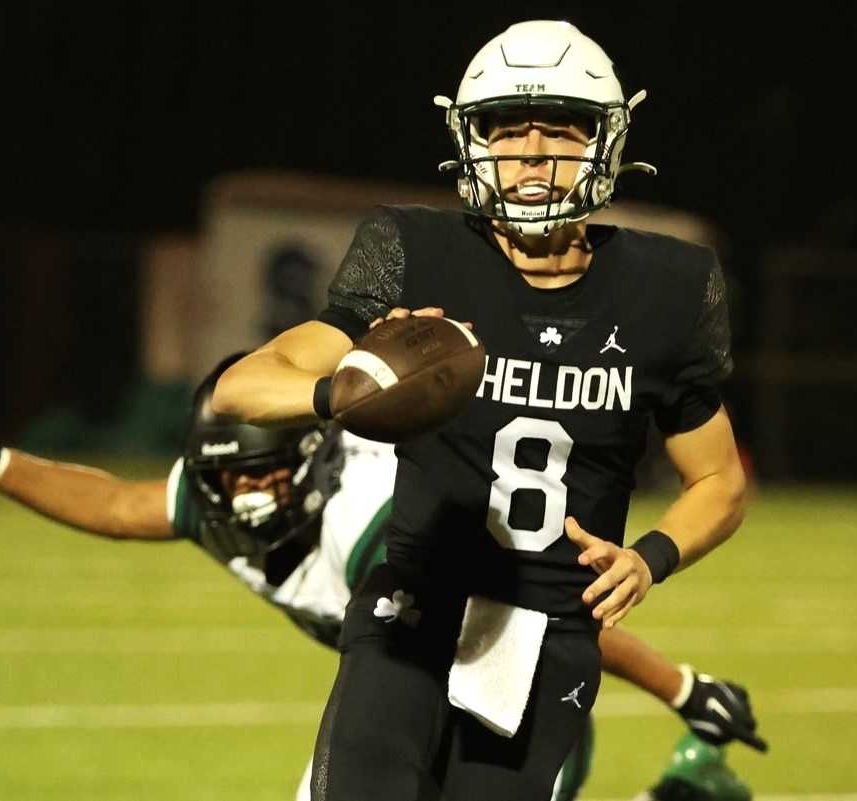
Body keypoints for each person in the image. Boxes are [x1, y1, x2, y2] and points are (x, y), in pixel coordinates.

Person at [212, 19, 752, 801]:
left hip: (549, 637)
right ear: (472, 142)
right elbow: (244, 384)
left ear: (608, 140)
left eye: (561, 129)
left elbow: (720, 482)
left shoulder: (667, 288)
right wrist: (340, 392)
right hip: (412, 610)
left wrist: (651, 555)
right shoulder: (412, 250)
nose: (532, 153)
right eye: (506, 130)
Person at [0, 367, 763, 801]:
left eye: (262, 479)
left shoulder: (370, 519)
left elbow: (527, 618)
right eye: (229, 484)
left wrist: (680, 684)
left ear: (310, 464)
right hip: (399, 690)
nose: (247, 499)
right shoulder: (220, 497)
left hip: (507, 696)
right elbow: (115, 499)